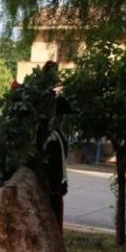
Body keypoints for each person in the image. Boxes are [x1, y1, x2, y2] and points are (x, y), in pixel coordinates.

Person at [40, 95, 70, 231]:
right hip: (52, 189)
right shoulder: (53, 136)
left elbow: (56, 164)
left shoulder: (54, 137)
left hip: (52, 189)